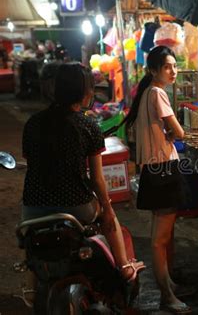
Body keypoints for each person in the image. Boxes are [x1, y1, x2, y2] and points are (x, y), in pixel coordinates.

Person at [21, 63, 144, 305]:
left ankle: (32, 291)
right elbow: (98, 179)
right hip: (76, 206)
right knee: (108, 216)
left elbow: (35, 163)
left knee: (31, 244)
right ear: (84, 92)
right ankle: (124, 268)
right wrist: (107, 208)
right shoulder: (87, 126)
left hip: (33, 207)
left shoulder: (33, 123)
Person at [126, 46, 189, 314]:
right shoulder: (157, 93)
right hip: (163, 170)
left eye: (175, 65)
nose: (173, 71)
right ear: (154, 70)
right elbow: (180, 131)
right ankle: (166, 295)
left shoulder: (146, 94)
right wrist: (173, 134)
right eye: (167, 67)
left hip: (153, 171)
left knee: (158, 236)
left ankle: (168, 285)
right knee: (159, 240)